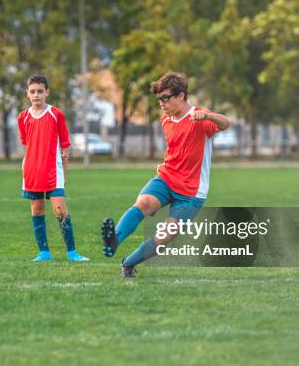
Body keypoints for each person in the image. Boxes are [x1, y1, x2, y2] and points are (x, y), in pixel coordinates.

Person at [101, 71, 230, 277]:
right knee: (143, 203)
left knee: (164, 236)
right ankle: (114, 240)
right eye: (159, 99)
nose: (161, 103)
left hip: (191, 191)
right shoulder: (166, 120)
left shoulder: (199, 117)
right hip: (166, 178)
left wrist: (208, 115)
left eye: (165, 98)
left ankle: (128, 264)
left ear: (181, 96)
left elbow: (225, 123)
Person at [17, 75, 89, 262]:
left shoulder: (56, 114)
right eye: (32, 91)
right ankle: (44, 252)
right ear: (27, 93)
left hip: (53, 169)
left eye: (40, 91)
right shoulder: (23, 117)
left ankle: (72, 252)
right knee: (37, 208)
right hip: (32, 169)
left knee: (59, 208)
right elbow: (26, 142)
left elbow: (64, 142)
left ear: (47, 92)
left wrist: (64, 163)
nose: (36, 95)